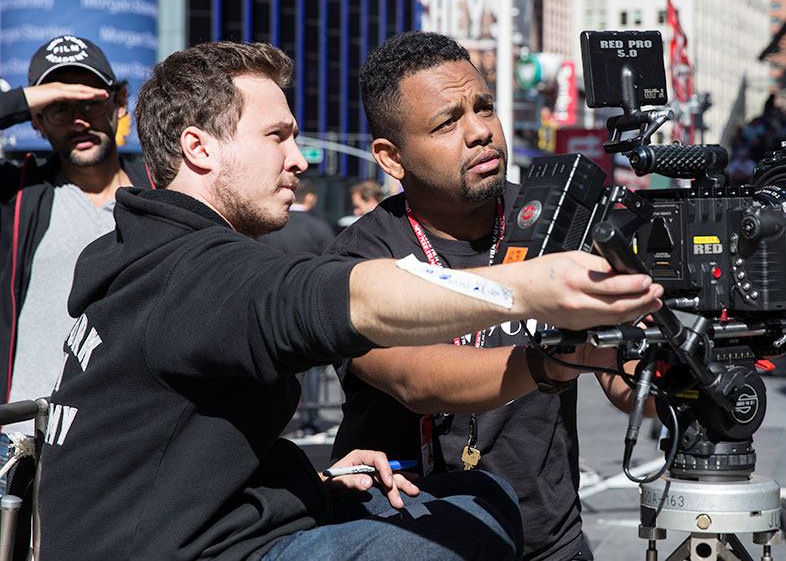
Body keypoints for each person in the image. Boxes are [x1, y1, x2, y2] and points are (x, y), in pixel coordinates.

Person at [36, 41, 664, 560]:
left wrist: (310, 480)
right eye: (278, 136)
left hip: (550, 532)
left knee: (479, 500)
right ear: (200, 149)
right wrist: (534, 293)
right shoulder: (196, 270)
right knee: (467, 522)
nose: (301, 158)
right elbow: (356, 299)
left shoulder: (151, 252)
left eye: (485, 108)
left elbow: (176, 463)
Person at [328, 31, 651, 561]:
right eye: (446, 122)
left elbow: (621, 375)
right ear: (390, 156)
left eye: (485, 107)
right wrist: (552, 365)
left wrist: (684, 380)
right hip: (413, 542)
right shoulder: (359, 258)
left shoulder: (560, 220)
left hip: (551, 544)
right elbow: (415, 379)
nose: (480, 131)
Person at [0, 35, 153, 435]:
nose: (79, 120)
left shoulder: (162, 197)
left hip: (132, 439)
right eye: (59, 108)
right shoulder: (15, 195)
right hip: (25, 441)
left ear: (119, 103)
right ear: (36, 119)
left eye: (90, 101)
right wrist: (26, 98)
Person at [257, 178, 338, 435]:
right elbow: (332, 266)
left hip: (272, 304)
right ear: (311, 198)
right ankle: (310, 419)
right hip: (309, 307)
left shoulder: (269, 228)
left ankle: (270, 419)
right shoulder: (319, 227)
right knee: (312, 370)